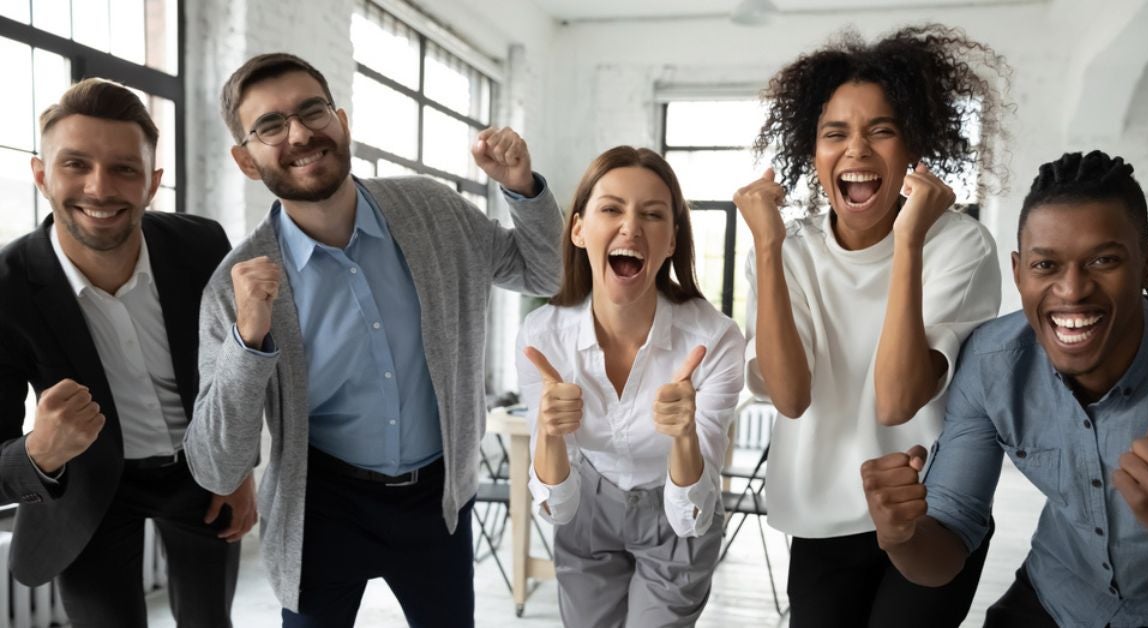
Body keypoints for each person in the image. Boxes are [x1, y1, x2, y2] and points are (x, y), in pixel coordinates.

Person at [182, 52, 563, 627]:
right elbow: (217, 465)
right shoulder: (235, 287)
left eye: (313, 112)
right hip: (323, 508)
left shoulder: (433, 211)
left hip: (437, 502)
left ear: (342, 121)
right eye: (270, 126)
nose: (302, 134)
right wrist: (248, 341)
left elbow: (545, 273)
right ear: (245, 159)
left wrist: (522, 189)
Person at [735, 25, 1007, 626]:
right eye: (836, 134)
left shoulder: (960, 245)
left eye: (880, 131)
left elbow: (897, 399)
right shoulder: (790, 249)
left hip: (932, 511)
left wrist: (908, 242)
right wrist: (767, 248)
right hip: (821, 513)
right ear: (814, 155)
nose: (856, 149)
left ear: (914, 149)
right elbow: (789, 394)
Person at [861, 150, 1148, 627]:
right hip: (1055, 598)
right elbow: (943, 555)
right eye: (1046, 266)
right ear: (1019, 272)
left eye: (1103, 260)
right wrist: (899, 535)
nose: (1073, 290)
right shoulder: (992, 364)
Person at [0, 78, 252, 628]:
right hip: (87, 491)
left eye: (124, 168)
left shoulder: (203, 244)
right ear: (41, 175)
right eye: (75, 165)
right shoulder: (7, 286)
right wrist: (40, 450)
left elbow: (235, 371)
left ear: (152, 183)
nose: (99, 188)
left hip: (199, 471)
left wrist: (239, 466)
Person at [517, 146, 745, 627]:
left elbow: (689, 517)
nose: (631, 227)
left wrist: (683, 437)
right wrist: (552, 434)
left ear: (671, 241)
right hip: (587, 506)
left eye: (653, 214)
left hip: (676, 506)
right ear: (579, 229)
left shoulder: (714, 339)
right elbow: (557, 508)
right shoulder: (542, 337)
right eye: (611, 208)